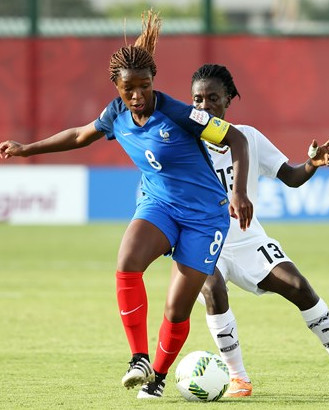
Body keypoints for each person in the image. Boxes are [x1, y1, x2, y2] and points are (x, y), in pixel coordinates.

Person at [0, 14, 254, 400]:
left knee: (175, 310)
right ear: (116, 87)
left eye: (144, 86)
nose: (137, 96)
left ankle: (158, 377)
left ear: (154, 81)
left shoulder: (180, 113)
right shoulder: (116, 113)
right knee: (127, 261)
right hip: (159, 205)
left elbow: (236, 138)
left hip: (206, 217)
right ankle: (138, 358)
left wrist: (238, 191)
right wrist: (26, 149)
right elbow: (80, 135)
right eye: (129, 89)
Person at [186, 63, 329, 398]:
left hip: (249, 239)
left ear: (228, 99)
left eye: (212, 98)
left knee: (300, 287)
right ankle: (238, 378)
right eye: (197, 100)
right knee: (213, 289)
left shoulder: (250, 137)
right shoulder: (185, 143)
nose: (204, 107)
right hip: (205, 242)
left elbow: (289, 176)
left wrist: (311, 165)